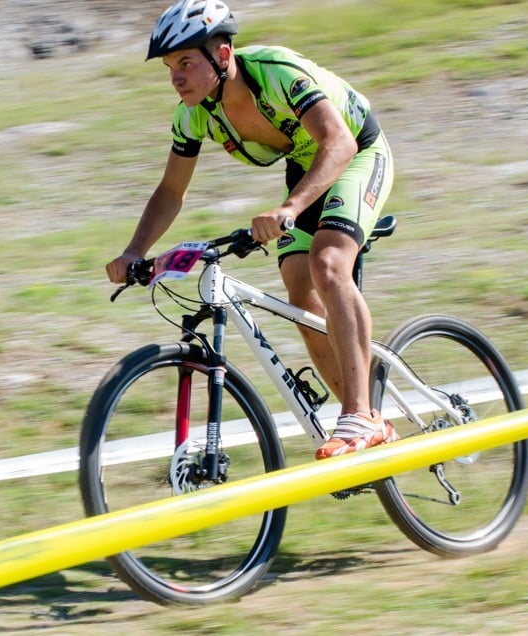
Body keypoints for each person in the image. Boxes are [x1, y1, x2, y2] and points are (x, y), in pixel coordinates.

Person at [105, 0, 398, 459]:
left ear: (222, 56)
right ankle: (359, 424)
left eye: (185, 62)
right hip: (308, 166)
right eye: (169, 67)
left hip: (355, 151)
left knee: (328, 263)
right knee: (300, 290)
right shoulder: (194, 114)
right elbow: (170, 191)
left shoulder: (278, 72)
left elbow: (337, 141)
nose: (175, 78)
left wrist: (289, 207)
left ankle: (361, 412)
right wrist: (134, 251)